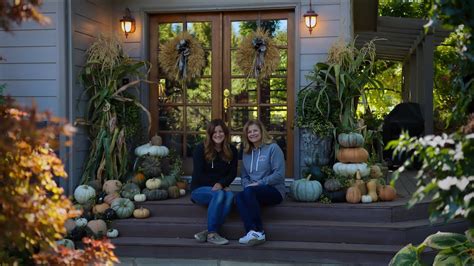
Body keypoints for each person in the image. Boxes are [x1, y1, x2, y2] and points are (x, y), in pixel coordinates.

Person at [235, 119, 285, 246]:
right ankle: (251, 232)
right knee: (239, 196)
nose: (252, 134)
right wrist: (247, 185)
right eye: (249, 132)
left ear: (261, 131)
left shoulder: (273, 148)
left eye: (255, 130)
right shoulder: (246, 153)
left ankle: (259, 231)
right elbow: (244, 176)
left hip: (274, 190)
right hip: (253, 191)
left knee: (249, 191)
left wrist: (260, 183)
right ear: (246, 135)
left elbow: (279, 175)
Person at [190, 119, 238, 245]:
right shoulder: (200, 149)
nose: (218, 134)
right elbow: (199, 175)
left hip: (219, 188)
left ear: (225, 133)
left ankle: (210, 231)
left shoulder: (232, 150)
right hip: (199, 189)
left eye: (221, 131)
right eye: (214, 132)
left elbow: (232, 173)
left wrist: (222, 184)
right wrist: (219, 185)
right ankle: (212, 234)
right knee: (220, 194)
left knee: (230, 196)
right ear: (210, 134)